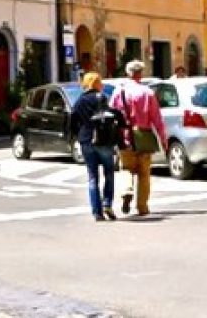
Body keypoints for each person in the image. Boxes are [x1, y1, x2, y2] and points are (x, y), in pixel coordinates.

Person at [112, 59, 167, 216]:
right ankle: (142, 206)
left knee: (126, 168)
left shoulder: (119, 92)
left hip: (125, 136)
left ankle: (127, 190)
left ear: (128, 73)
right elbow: (157, 118)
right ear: (140, 74)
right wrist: (163, 139)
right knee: (144, 174)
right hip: (144, 136)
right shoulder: (147, 93)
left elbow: (112, 113)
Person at [68, 72, 122, 222]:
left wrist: (77, 136)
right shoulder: (102, 97)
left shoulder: (80, 101)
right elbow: (112, 114)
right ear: (98, 83)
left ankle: (97, 212)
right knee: (109, 173)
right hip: (103, 140)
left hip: (86, 140)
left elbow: (73, 120)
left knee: (92, 177)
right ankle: (107, 203)